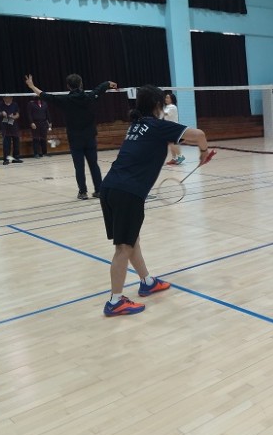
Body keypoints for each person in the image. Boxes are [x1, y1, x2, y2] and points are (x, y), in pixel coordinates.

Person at [98, 85, 213, 316]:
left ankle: (147, 282)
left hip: (109, 187)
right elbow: (200, 135)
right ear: (158, 105)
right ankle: (115, 301)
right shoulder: (158, 126)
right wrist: (203, 152)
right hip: (128, 192)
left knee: (131, 240)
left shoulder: (135, 126)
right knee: (123, 247)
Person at [25, 74, 116, 200]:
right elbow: (100, 88)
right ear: (81, 84)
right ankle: (99, 190)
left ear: (68, 86)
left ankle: (83, 192)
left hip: (75, 139)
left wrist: (32, 86)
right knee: (94, 165)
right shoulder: (90, 97)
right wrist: (108, 83)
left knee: (79, 167)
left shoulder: (65, 100)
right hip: (90, 137)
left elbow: (45, 96)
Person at [0, 96, 23, 165]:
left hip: (13, 124)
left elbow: (17, 114)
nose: (7, 99)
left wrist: (13, 117)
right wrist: (2, 113)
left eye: (9, 98)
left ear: (11, 98)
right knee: (6, 144)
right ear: (4, 98)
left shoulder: (15, 104)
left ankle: (16, 158)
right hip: (5, 125)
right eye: (5, 98)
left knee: (16, 143)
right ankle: (6, 159)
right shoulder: (0, 104)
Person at [164, 92, 185, 165]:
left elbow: (165, 113)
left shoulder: (172, 107)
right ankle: (174, 158)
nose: (166, 99)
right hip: (168, 127)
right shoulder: (167, 107)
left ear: (172, 99)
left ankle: (180, 156)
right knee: (171, 143)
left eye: (167, 98)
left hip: (173, 128)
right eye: (166, 97)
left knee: (173, 143)